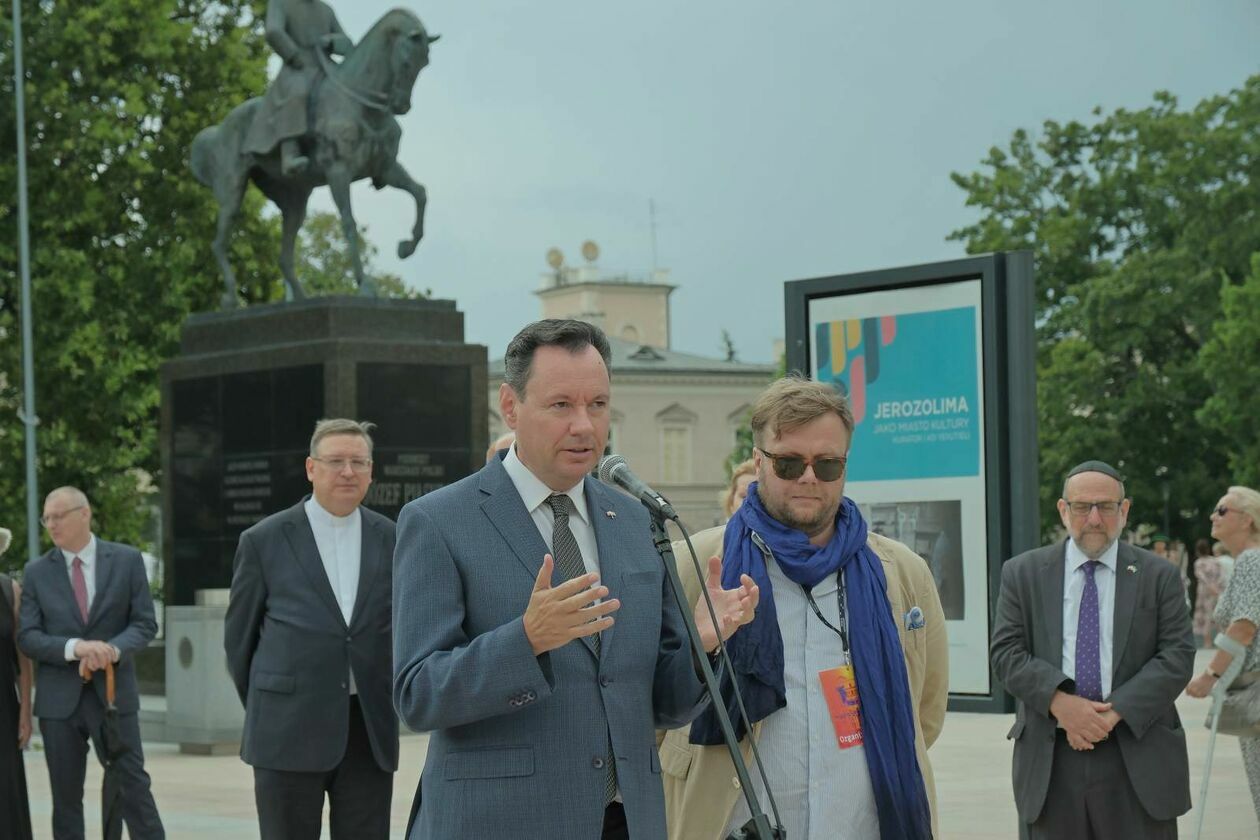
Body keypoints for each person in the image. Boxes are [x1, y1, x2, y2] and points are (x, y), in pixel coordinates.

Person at [392, 319, 759, 839]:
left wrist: (702, 647)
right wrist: (526, 640)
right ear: (511, 406)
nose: (584, 425)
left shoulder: (634, 521)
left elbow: (660, 703)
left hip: (625, 821)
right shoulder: (439, 521)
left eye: (598, 405)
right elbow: (418, 694)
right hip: (500, 823)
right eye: (561, 405)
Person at [660, 376, 947, 840]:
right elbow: (653, 710)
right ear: (758, 461)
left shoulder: (903, 573)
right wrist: (702, 650)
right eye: (789, 463)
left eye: (827, 464)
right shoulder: (693, 565)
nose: (809, 477)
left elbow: (925, 712)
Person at [991, 461, 1195, 839]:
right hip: (1052, 759)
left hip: (1138, 753)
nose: (1095, 519)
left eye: (1107, 506)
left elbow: (1177, 657)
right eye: (1083, 507)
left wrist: (1112, 713)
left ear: (1125, 510)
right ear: (1064, 510)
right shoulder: (1023, 573)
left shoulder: (1158, 575)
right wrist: (1061, 703)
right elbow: (1006, 653)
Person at [225, 419, 398, 840]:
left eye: (359, 462)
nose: (348, 472)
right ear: (310, 468)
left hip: (367, 731)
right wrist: (277, 703)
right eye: (335, 461)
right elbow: (239, 644)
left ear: (371, 471)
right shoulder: (263, 540)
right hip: (287, 730)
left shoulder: (393, 537)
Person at [18, 487, 164, 840]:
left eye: (58, 516)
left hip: (114, 698)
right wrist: (76, 648)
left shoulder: (127, 561)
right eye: (46, 518)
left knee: (133, 787)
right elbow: (28, 636)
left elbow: (144, 623)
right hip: (59, 704)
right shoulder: (37, 572)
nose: (51, 524)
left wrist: (111, 650)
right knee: (66, 799)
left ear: (84, 514)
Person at [1185, 485, 1260, 823]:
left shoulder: (1251, 560)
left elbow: (1243, 627)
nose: (1213, 515)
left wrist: (1209, 675)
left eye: (1222, 510)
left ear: (1248, 520)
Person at [243, 0, 355, 175]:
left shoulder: (326, 10)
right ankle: (289, 154)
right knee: (297, 93)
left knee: (351, 93)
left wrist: (331, 41)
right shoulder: (281, 3)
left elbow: (347, 43)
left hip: (326, 68)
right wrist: (293, 55)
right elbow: (273, 31)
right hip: (297, 68)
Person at [0, 526, 34, 840]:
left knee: (6, 789)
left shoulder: (10, 590)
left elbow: (23, 659)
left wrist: (26, 712)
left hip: (3, 709)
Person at [1192, 537, 1225, 647]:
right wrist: (1216, 586)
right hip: (1216, 590)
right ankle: (1221, 640)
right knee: (1217, 614)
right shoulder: (1215, 561)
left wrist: (1209, 586)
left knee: (1206, 614)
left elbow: (1200, 576)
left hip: (1204, 591)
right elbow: (1221, 575)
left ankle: (1208, 642)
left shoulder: (1198, 562)